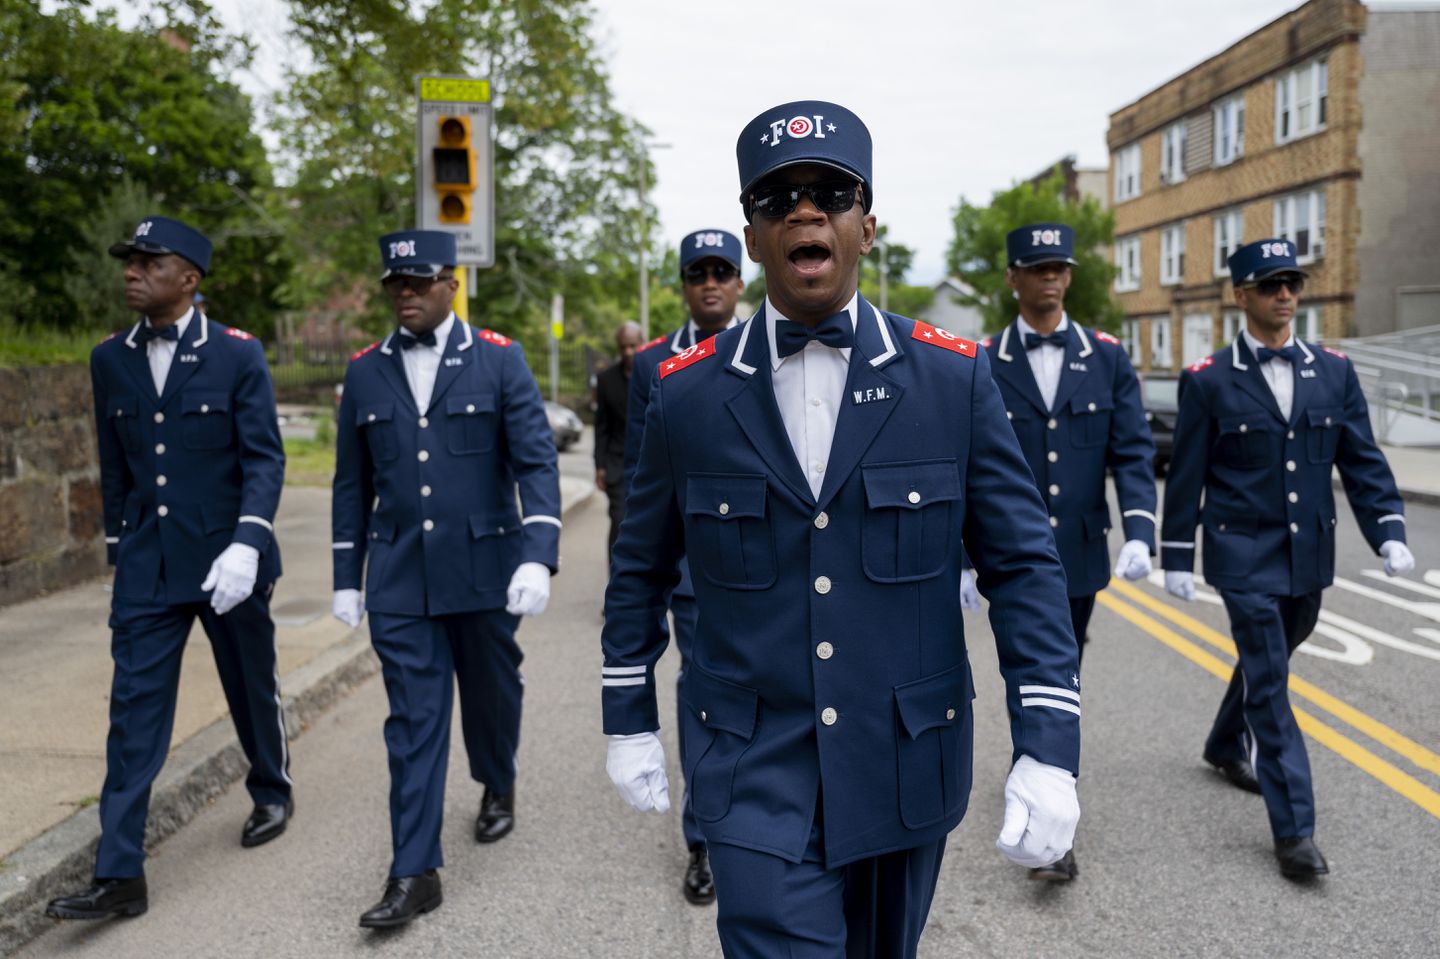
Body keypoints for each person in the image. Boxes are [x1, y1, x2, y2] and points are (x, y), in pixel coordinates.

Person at [601, 101, 1081, 957]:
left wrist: (1049, 746)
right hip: (753, 766)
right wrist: (627, 711)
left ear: (867, 224)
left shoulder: (950, 381)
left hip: (905, 757)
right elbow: (640, 564)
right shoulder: (686, 395)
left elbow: (1024, 566)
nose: (804, 210)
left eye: (830, 192)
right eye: (778, 198)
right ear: (753, 237)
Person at [47, 216, 291, 921]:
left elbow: (264, 458)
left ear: (188, 279)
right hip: (151, 566)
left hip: (228, 561)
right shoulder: (109, 359)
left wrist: (248, 543)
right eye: (129, 261)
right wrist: (120, 556)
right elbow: (115, 465)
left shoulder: (238, 356)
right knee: (133, 715)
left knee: (251, 687)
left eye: (149, 263)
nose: (132, 271)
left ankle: (272, 787)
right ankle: (120, 873)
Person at [1161, 238, 1414, 880]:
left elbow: (1360, 459)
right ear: (1241, 294)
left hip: (1307, 556)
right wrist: (1174, 555)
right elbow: (1186, 474)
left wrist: (1387, 528)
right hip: (1240, 556)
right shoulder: (1208, 379)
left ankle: (1223, 743)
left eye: (1292, 283)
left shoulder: (1333, 370)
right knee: (1270, 685)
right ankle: (1295, 831)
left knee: (1273, 653)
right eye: (1271, 284)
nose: (1285, 294)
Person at [331, 230, 561, 927]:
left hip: (485, 571)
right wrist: (347, 574)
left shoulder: (498, 359)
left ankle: (497, 779)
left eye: (418, 281)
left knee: (492, 696)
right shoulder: (366, 370)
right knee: (414, 721)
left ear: (450, 284)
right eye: (394, 283)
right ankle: (414, 870)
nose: (405, 293)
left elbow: (535, 461)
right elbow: (350, 482)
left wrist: (537, 549)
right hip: (401, 578)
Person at [962, 223, 1157, 881]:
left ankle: (1043, 774)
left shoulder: (1105, 356)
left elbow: (1130, 449)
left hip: (1075, 553)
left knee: (1059, 667)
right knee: (1033, 665)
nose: (1049, 277)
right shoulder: (983, 359)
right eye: (1035, 268)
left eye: (1058, 268)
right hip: (1005, 553)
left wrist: (1140, 528)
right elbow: (963, 462)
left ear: (1069, 277)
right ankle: (1052, 819)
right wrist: (963, 555)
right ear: (1014, 278)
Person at [619, 227, 746, 905]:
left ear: (739, 280)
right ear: (684, 285)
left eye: (721, 271)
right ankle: (705, 839)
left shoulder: (773, 344)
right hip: (696, 569)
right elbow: (647, 473)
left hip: (765, 561)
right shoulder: (650, 365)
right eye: (698, 273)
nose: (710, 284)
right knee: (703, 700)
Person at [594, 321, 644, 559]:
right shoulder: (605, 380)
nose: (628, 352)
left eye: (633, 346)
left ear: (642, 344)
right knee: (620, 522)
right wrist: (600, 465)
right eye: (624, 347)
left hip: (650, 462)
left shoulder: (658, 372)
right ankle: (617, 584)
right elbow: (601, 425)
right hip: (618, 465)